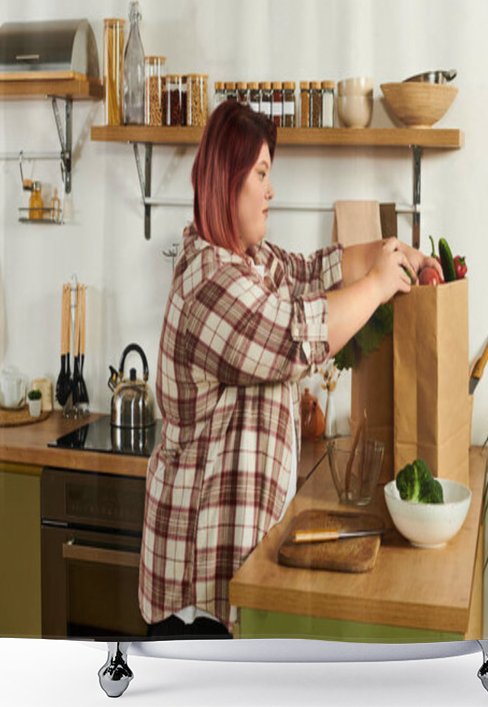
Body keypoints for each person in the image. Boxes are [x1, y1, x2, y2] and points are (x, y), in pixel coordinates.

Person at [138, 100, 443, 638]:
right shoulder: (210, 281)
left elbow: (315, 268)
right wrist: (378, 285)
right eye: (260, 174)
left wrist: (400, 253)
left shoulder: (249, 260)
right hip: (199, 592)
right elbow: (296, 333)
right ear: (227, 180)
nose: (271, 189)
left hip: (237, 564)